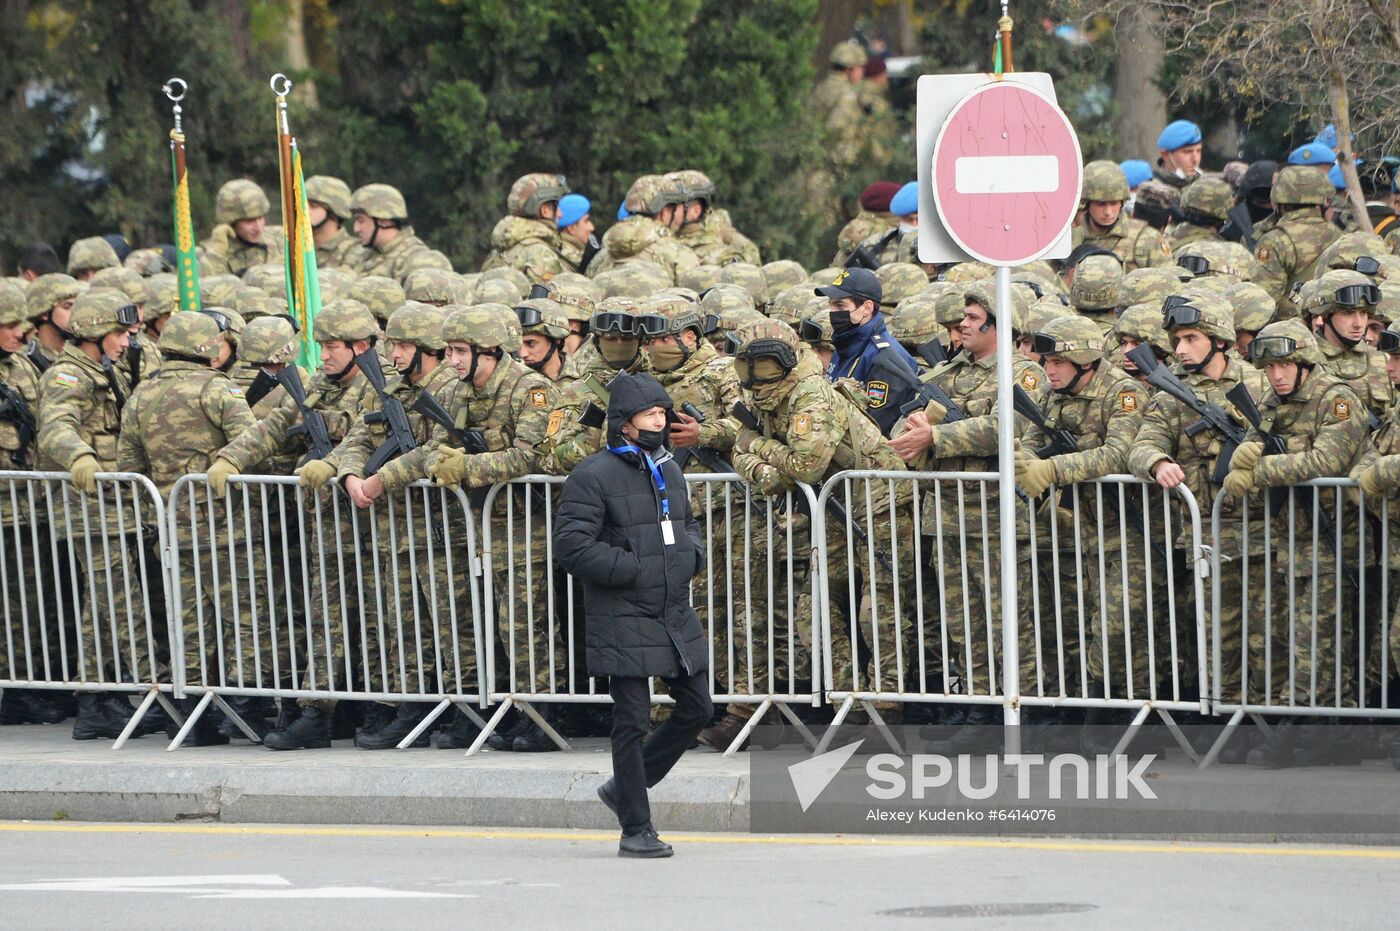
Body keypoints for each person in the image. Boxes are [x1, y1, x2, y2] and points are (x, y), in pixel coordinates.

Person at [553, 371, 711, 858]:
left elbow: (688, 522)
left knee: (699, 708)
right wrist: (633, 569)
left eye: (663, 414)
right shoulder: (592, 475)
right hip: (621, 612)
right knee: (632, 720)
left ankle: (625, 788)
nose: (660, 422)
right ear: (624, 423)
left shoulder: (670, 468)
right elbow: (571, 546)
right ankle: (635, 827)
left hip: (672, 609)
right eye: (650, 415)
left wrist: (693, 554)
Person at [818, 266, 920, 437]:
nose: (832, 313)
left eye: (840, 305)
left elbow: (875, 428)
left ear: (866, 308)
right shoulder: (845, 345)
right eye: (831, 305)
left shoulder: (884, 359)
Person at [305, 175, 367, 270]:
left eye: (313, 206)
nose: (303, 210)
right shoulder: (297, 248)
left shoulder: (355, 252)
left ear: (334, 213)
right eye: (301, 204)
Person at [1154, 119, 1204, 189]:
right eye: (1187, 152)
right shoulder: (1150, 190)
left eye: (1198, 151)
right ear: (1165, 155)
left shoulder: (1206, 186)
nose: (1195, 160)